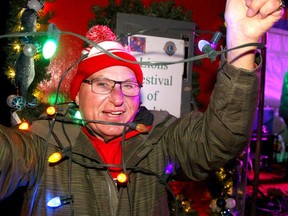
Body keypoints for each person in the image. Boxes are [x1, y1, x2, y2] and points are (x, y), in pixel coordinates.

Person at [0, 0, 284, 215]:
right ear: (77, 95)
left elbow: (222, 138)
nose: (117, 98)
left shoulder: (160, 137)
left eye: (129, 85)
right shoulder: (42, 141)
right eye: (102, 84)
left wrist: (242, 41)